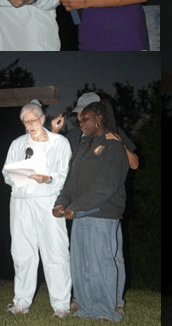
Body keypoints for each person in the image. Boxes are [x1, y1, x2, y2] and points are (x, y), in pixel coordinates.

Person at [53, 101, 129, 323]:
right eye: (79, 120)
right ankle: (86, 307)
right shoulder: (82, 145)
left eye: (84, 118)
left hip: (101, 214)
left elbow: (107, 185)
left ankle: (106, 310)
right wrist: (61, 202)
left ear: (98, 119)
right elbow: (70, 181)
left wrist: (75, 206)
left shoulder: (113, 145)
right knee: (81, 264)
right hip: (78, 215)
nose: (81, 123)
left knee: (100, 264)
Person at [2, 101, 72, 317]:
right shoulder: (17, 144)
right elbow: (6, 174)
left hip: (48, 202)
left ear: (42, 119)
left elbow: (64, 174)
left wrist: (47, 178)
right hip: (22, 203)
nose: (30, 125)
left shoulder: (60, 143)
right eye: (26, 122)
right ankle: (21, 302)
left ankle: (61, 305)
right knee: (22, 253)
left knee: (56, 252)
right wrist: (19, 177)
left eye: (34, 120)